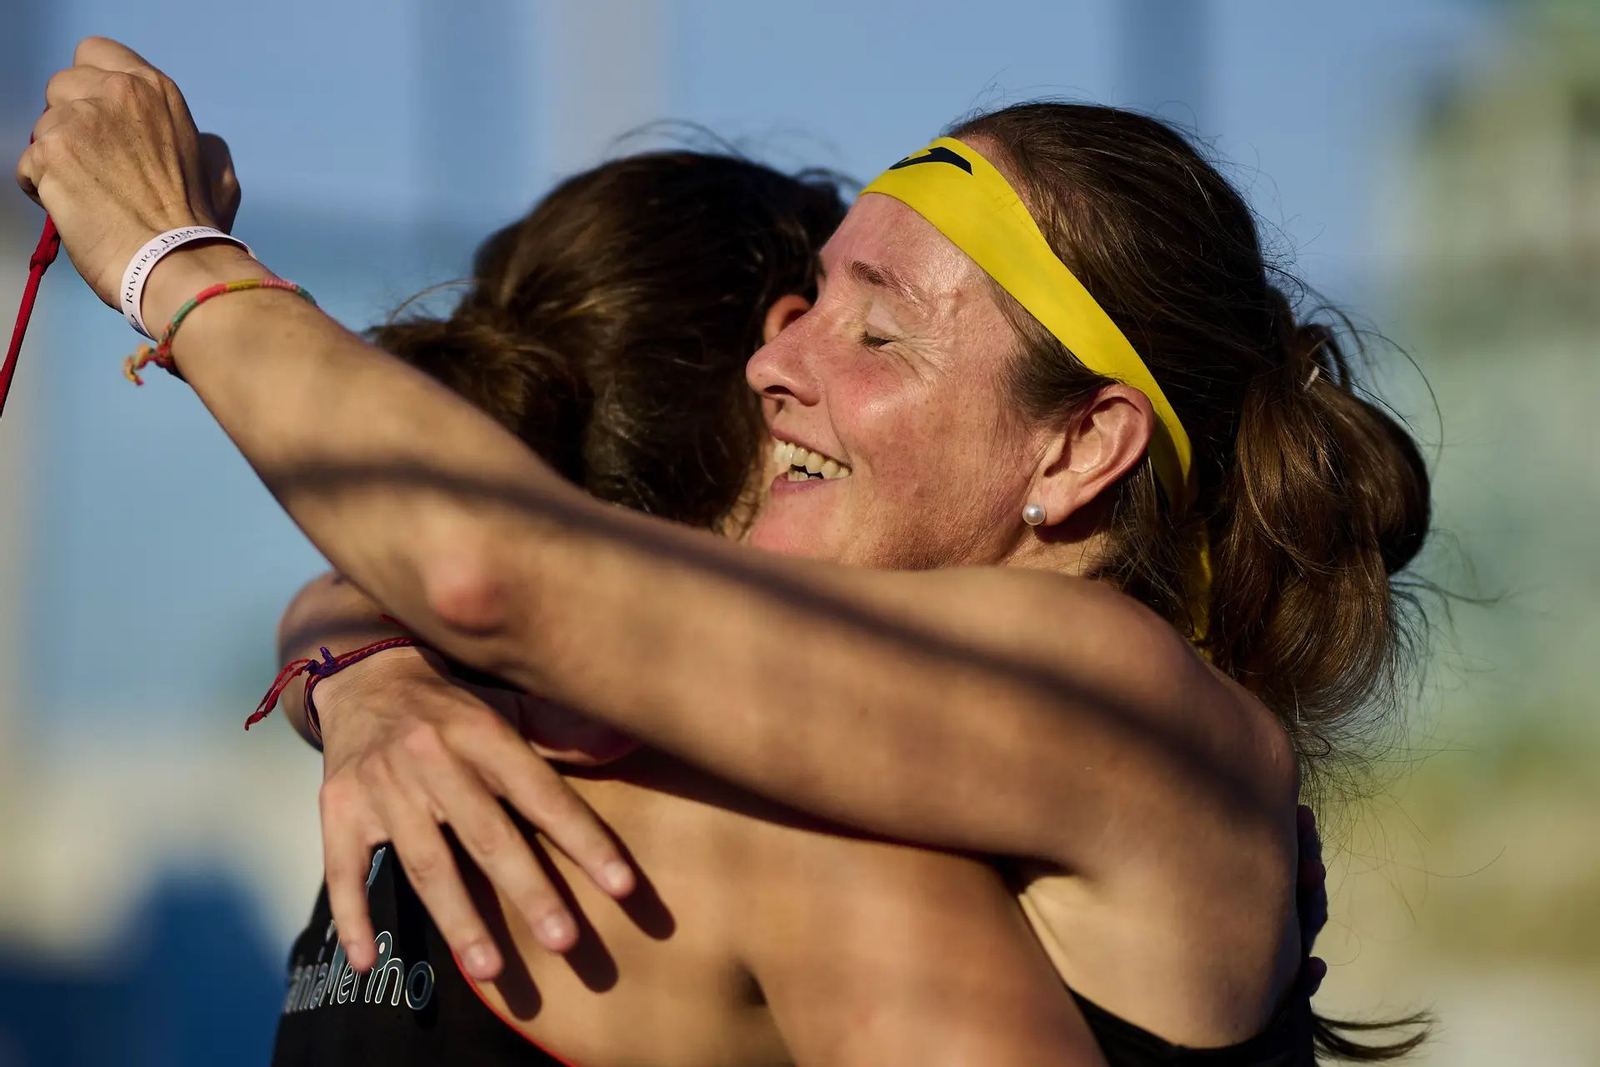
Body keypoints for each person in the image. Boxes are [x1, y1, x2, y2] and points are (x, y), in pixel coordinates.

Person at [19, 38, 1431, 1064]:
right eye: (811, 299)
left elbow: (497, 573)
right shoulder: (872, 748)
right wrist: (374, 671)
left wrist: (171, 258)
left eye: (878, 332)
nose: (780, 365)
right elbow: (484, 587)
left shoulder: (1116, 688)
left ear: (1076, 454)